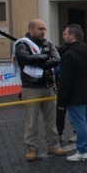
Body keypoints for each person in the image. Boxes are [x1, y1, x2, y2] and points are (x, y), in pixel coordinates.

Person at [14, 19, 67, 161]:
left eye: (44, 29)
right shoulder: (22, 44)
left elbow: (56, 59)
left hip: (48, 85)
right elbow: (26, 59)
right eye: (40, 29)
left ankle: (53, 145)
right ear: (31, 29)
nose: (43, 31)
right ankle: (32, 148)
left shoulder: (48, 43)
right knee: (31, 120)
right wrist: (44, 57)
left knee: (51, 119)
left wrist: (41, 64)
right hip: (31, 87)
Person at [57, 24, 87, 162]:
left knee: (80, 123)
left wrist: (62, 100)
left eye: (65, 34)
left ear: (72, 36)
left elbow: (65, 79)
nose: (63, 36)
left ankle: (82, 151)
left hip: (76, 95)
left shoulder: (70, 54)